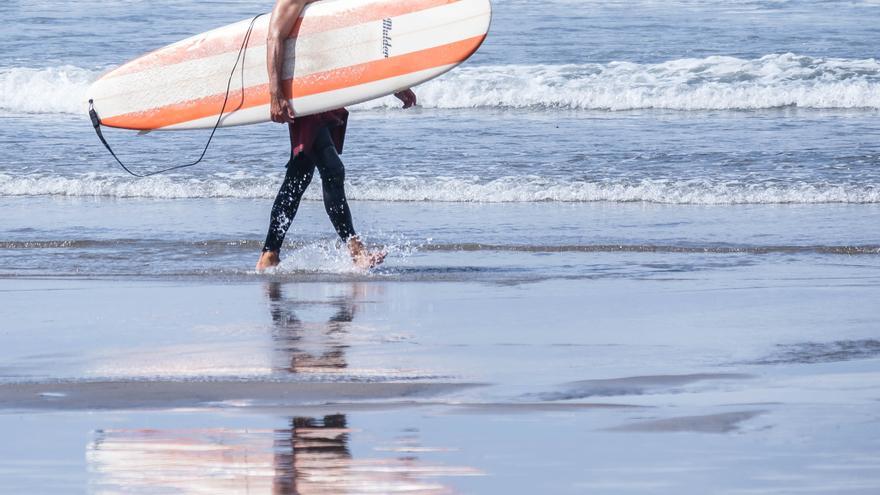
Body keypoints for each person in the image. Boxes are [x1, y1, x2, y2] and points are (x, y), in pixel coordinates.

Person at [256, 0, 417, 272]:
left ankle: (270, 254)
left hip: (326, 90)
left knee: (300, 175)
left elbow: (360, 42)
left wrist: (396, 84)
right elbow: (274, 36)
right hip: (303, 93)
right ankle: (356, 252)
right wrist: (275, 94)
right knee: (332, 170)